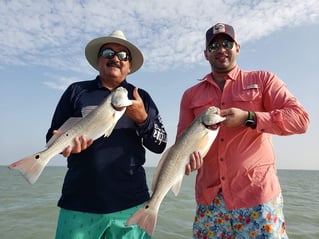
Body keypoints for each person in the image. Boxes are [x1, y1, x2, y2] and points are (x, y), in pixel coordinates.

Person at [177, 23, 309, 239]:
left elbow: (300, 119)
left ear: (237, 47)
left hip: (257, 198)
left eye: (226, 43)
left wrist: (249, 117)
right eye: (213, 46)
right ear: (205, 54)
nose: (221, 49)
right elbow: (182, 140)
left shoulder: (263, 80)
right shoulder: (190, 95)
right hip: (210, 202)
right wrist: (189, 161)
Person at [47, 30, 167, 239]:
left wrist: (143, 119)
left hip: (132, 204)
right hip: (79, 202)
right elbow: (52, 137)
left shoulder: (141, 97)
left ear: (129, 66)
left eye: (123, 56)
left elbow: (160, 144)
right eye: (109, 52)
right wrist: (64, 146)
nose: (115, 58)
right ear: (98, 60)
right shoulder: (76, 91)